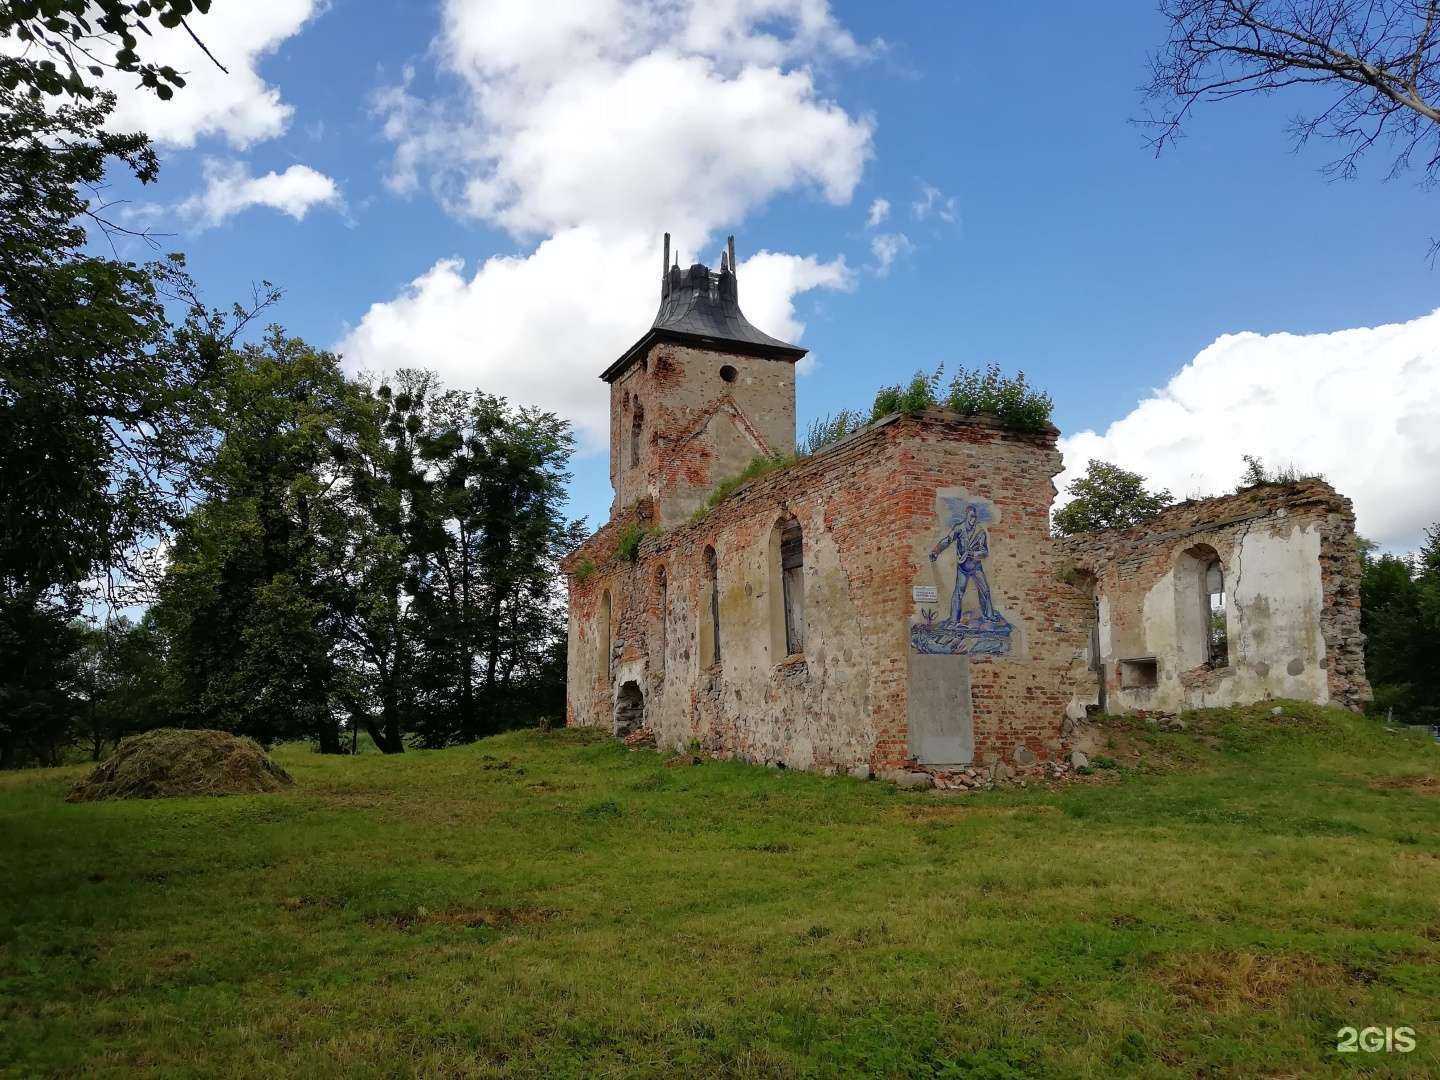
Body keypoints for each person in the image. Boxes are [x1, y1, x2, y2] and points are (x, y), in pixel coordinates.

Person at [929, 504, 994, 623]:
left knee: (985, 590)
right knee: (959, 592)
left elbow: (985, 552)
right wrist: (936, 551)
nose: (972, 519)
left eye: (974, 517)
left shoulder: (980, 532)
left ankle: (989, 616)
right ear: (966, 516)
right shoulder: (959, 528)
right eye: (970, 516)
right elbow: (947, 540)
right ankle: (954, 619)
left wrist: (974, 554)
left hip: (976, 566)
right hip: (963, 567)